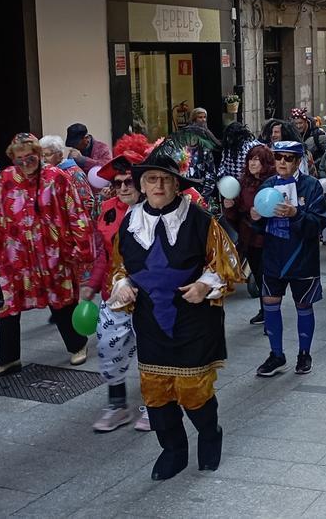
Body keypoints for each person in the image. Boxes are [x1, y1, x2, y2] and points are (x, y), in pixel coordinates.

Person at [107, 145, 242, 480]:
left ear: (176, 184)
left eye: (165, 179)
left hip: (195, 322)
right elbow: (119, 266)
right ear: (143, 184)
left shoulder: (200, 220)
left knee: (194, 391)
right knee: (156, 395)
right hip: (151, 322)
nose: (158, 186)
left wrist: (204, 285)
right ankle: (173, 450)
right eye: (151, 179)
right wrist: (121, 284)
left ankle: (210, 437)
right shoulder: (131, 222)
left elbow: (228, 264)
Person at [0, 133, 103, 376]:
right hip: (14, 255)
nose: (26, 163)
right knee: (8, 304)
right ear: (12, 159)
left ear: (38, 155)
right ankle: (9, 358)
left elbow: (75, 211)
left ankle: (77, 344)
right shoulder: (5, 178)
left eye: (31, 157)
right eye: (20, 159)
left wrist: (82, 247)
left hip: (52, 253)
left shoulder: (56, 177)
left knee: (60, 300)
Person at [252, 142, 326, 377]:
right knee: (270, 302)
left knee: (303, 304)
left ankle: (304, 353)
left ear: (297, 161)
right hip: (274, 255)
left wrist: (296, 214)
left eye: (288, 158)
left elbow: (319, 221)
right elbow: (258, 222)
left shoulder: (311, 186)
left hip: (302, 256)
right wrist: (255, 217)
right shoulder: (267, 185)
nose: (282, 162)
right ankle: (276, 355)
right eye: (278, 158)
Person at [222, 145, 276, 325]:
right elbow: (236, 213)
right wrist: (229, 207)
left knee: (266, 276)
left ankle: (270, 313)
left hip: (267, 238)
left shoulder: (272, 181)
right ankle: (264, 309)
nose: (252, 163)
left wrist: (262, 216)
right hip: (249, 236)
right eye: (250, 159)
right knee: (259, 276)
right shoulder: (244, 181)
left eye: (257, 160)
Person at [216, 122, 262, 186]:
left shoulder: (252, 146)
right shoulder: (227, 148)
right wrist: (221, 180)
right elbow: (223, 166)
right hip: (231, 186)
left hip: (249, 185)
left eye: (231, 136)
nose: (228, 139)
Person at [291, 107, 326, 177]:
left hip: (315, 172)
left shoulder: (317, 134)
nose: (298, 126)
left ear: (306, 121)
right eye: (296, 124)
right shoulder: (292, 135)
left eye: (300, 123)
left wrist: (315, 163)